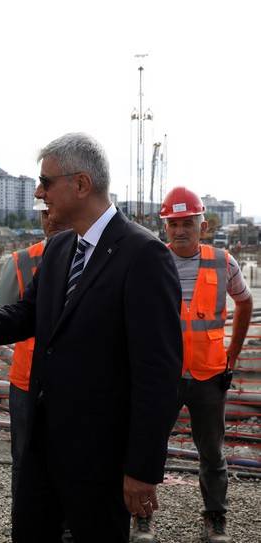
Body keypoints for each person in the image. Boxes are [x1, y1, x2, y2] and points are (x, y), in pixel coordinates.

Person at [0, 132, 183, 542]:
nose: (39, 193)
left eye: (46, 182)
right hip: (44, 442)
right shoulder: (60, 249)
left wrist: (142, 469)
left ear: (81, 184)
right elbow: (27, 315)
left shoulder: (144, 255)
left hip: (102, 455)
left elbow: (158, 374)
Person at [130, 188, 252, 543]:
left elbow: (244, 304)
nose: (180, 230)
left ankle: (215, 518)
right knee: (146, 446)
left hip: (209, 375)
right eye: (173, 224)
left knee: (212, 451)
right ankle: (142, 518)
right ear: (164, 226)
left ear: (203, 225)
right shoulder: (152, 261)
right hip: (160, 377)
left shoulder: (223, 261)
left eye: (187, 223)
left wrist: (233, 354)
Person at [0, 197, 70, 536]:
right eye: (45, 212)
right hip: (27, 383)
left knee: (74, 459)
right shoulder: (21, 262)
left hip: (76, 384)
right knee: (25, 463)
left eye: (54, 209)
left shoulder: (97, 258)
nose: (51, 218)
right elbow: (4, 319)